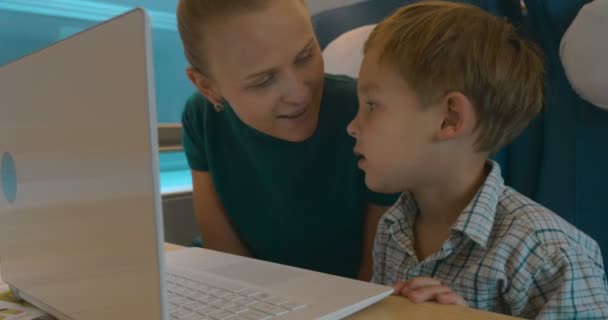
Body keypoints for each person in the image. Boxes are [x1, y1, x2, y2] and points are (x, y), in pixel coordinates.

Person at [347, 1, 608, 318]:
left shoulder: (549, 253)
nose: (352, 126)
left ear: (450, 117)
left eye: (372, 105)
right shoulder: (392, 228)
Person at [176, 0, 396, 280]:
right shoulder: (201, 117)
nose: (299, 95)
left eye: (305, 56)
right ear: (208, 87)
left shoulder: (366, 113)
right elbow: (227, 260)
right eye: (262, 81)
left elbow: (378, 270)